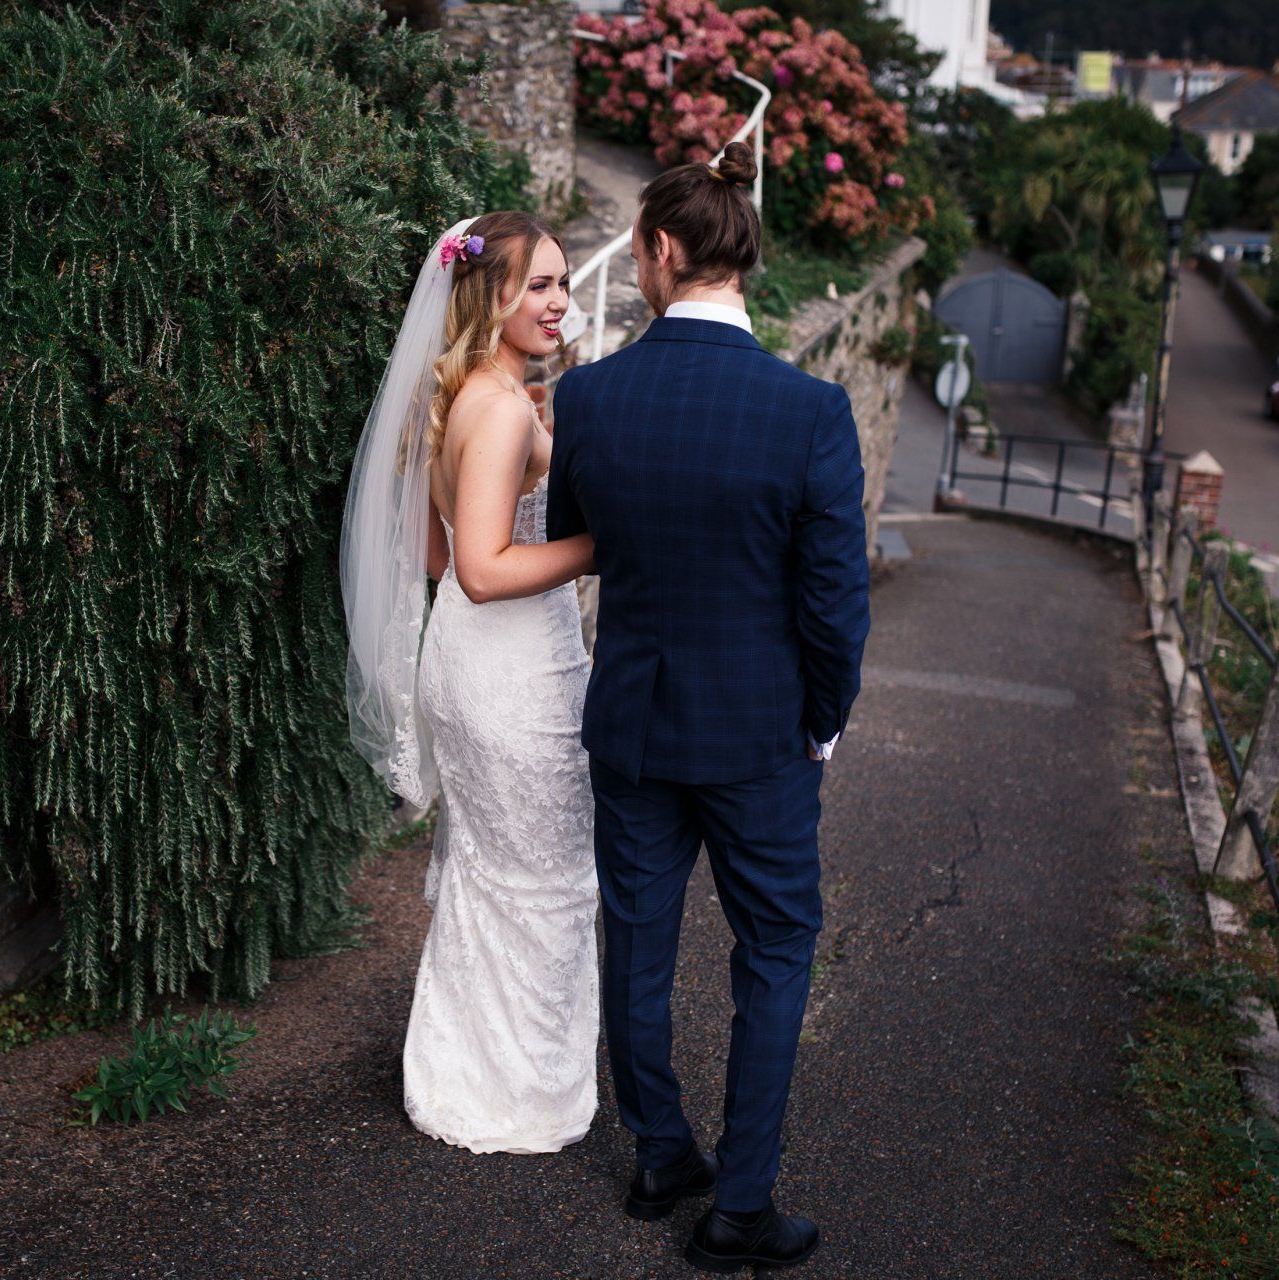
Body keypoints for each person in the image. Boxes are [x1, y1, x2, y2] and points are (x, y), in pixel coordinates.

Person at [547, 141, 871, 1271]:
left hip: (635, 718)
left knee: (635, 944)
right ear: (744, 262)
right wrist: (820, 719)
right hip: (760, 734)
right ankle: (739, 1206)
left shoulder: (590, 394)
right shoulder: (813, 411)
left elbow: (572, 539)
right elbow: (836, 604)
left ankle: (659, 1153)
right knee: (775, 949)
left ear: (665, 251)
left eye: (638, 250)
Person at [339, 210, 599, 1154]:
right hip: (510, 673)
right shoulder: (494, 407)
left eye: (565, 283)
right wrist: (599, 546)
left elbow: (434, 554)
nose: (561, 302)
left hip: (478, 661)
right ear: (488, 294)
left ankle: (465, 1073)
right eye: (539, 285)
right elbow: (484, 572)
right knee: (547, 877)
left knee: (498, 874)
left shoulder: (458, 396)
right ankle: (515, 1091)